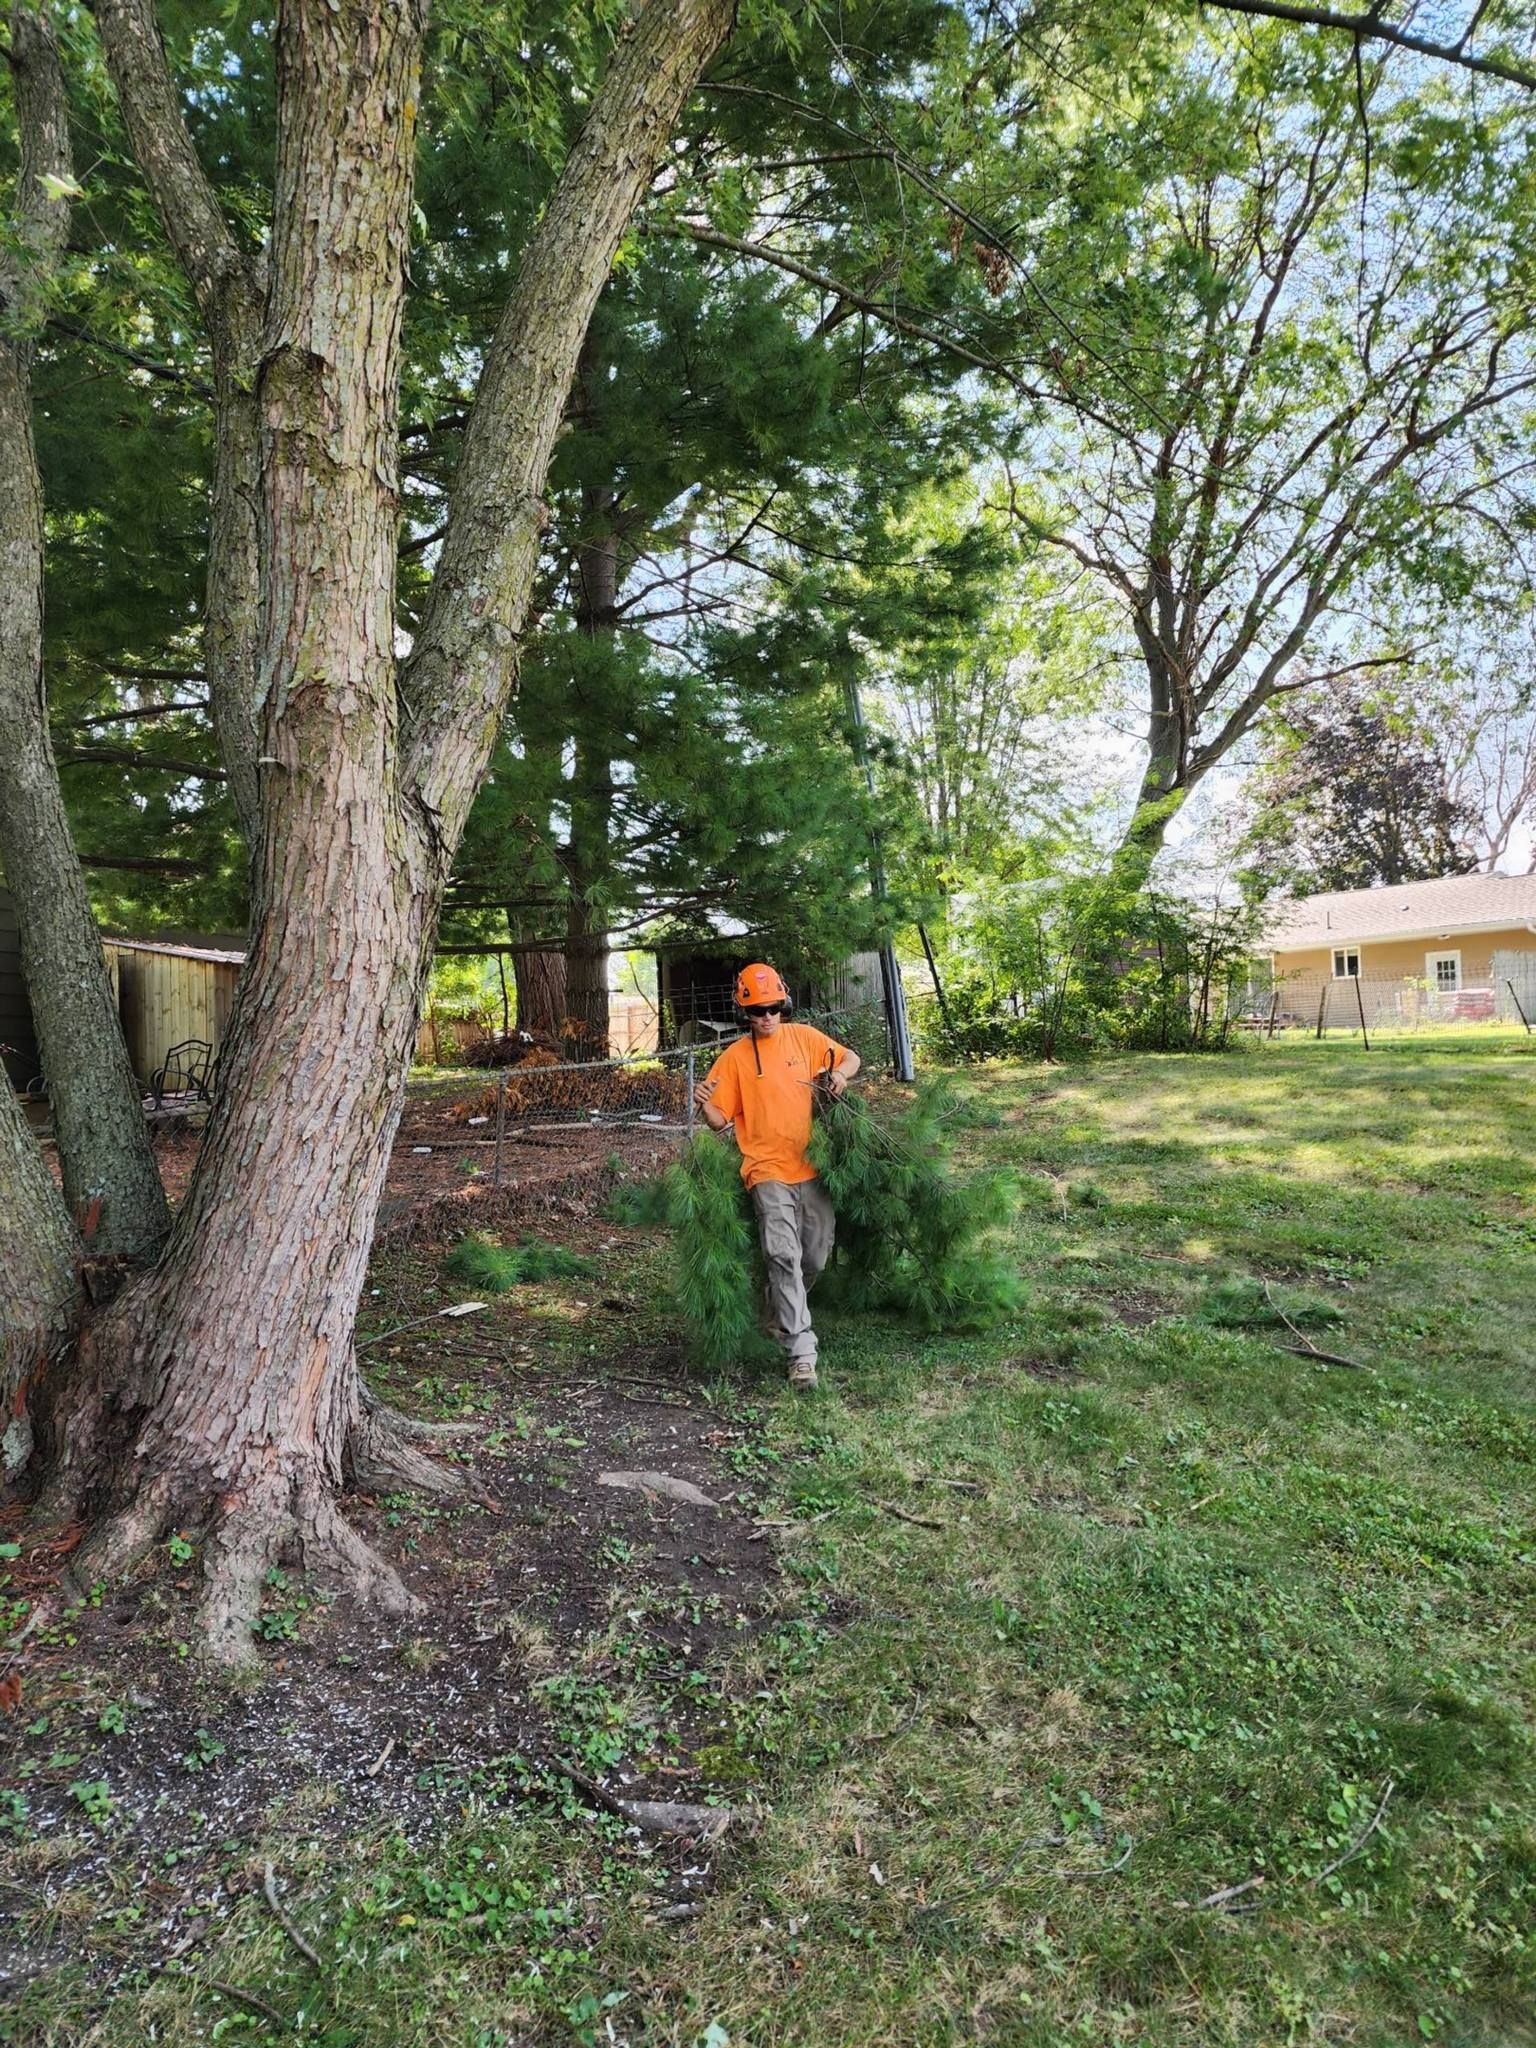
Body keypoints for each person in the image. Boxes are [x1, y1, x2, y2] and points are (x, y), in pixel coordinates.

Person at [693, 963, 860, 1391]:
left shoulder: (804, 1038)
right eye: (757, 1010)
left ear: (783, 1005)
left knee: (814, 1257)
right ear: (743, 1012)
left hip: (811, 1165)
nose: (766, 1016)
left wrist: (839, 1074)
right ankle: (802, 1355)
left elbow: (851, 1057)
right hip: (765, 1170)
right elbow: (717, 1119)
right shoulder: (733, 1059)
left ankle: (775, 1309)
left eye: (772, 1008)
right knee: (782, 1256)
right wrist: (702, 1103)